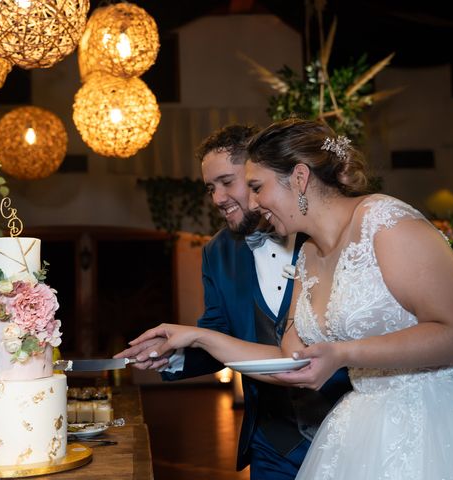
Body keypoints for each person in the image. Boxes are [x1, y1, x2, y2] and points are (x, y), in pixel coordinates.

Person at [125, 118, 453, 479]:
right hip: (357, 431)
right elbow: (290, 360)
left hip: (438, 421)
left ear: (298, 177)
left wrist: (344, 353)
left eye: (256, 187)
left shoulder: (387, 224)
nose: (251, 201)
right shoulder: (308, 256)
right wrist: (197, 336)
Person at [116, 124, 350, 480]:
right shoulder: (217, 253)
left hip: (347, 427)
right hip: (272, 443)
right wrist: (173, 352)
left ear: (259, 173)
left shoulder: (320, 231)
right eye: (211, 188)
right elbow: (218, 330)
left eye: (228, 182)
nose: (217, 198)